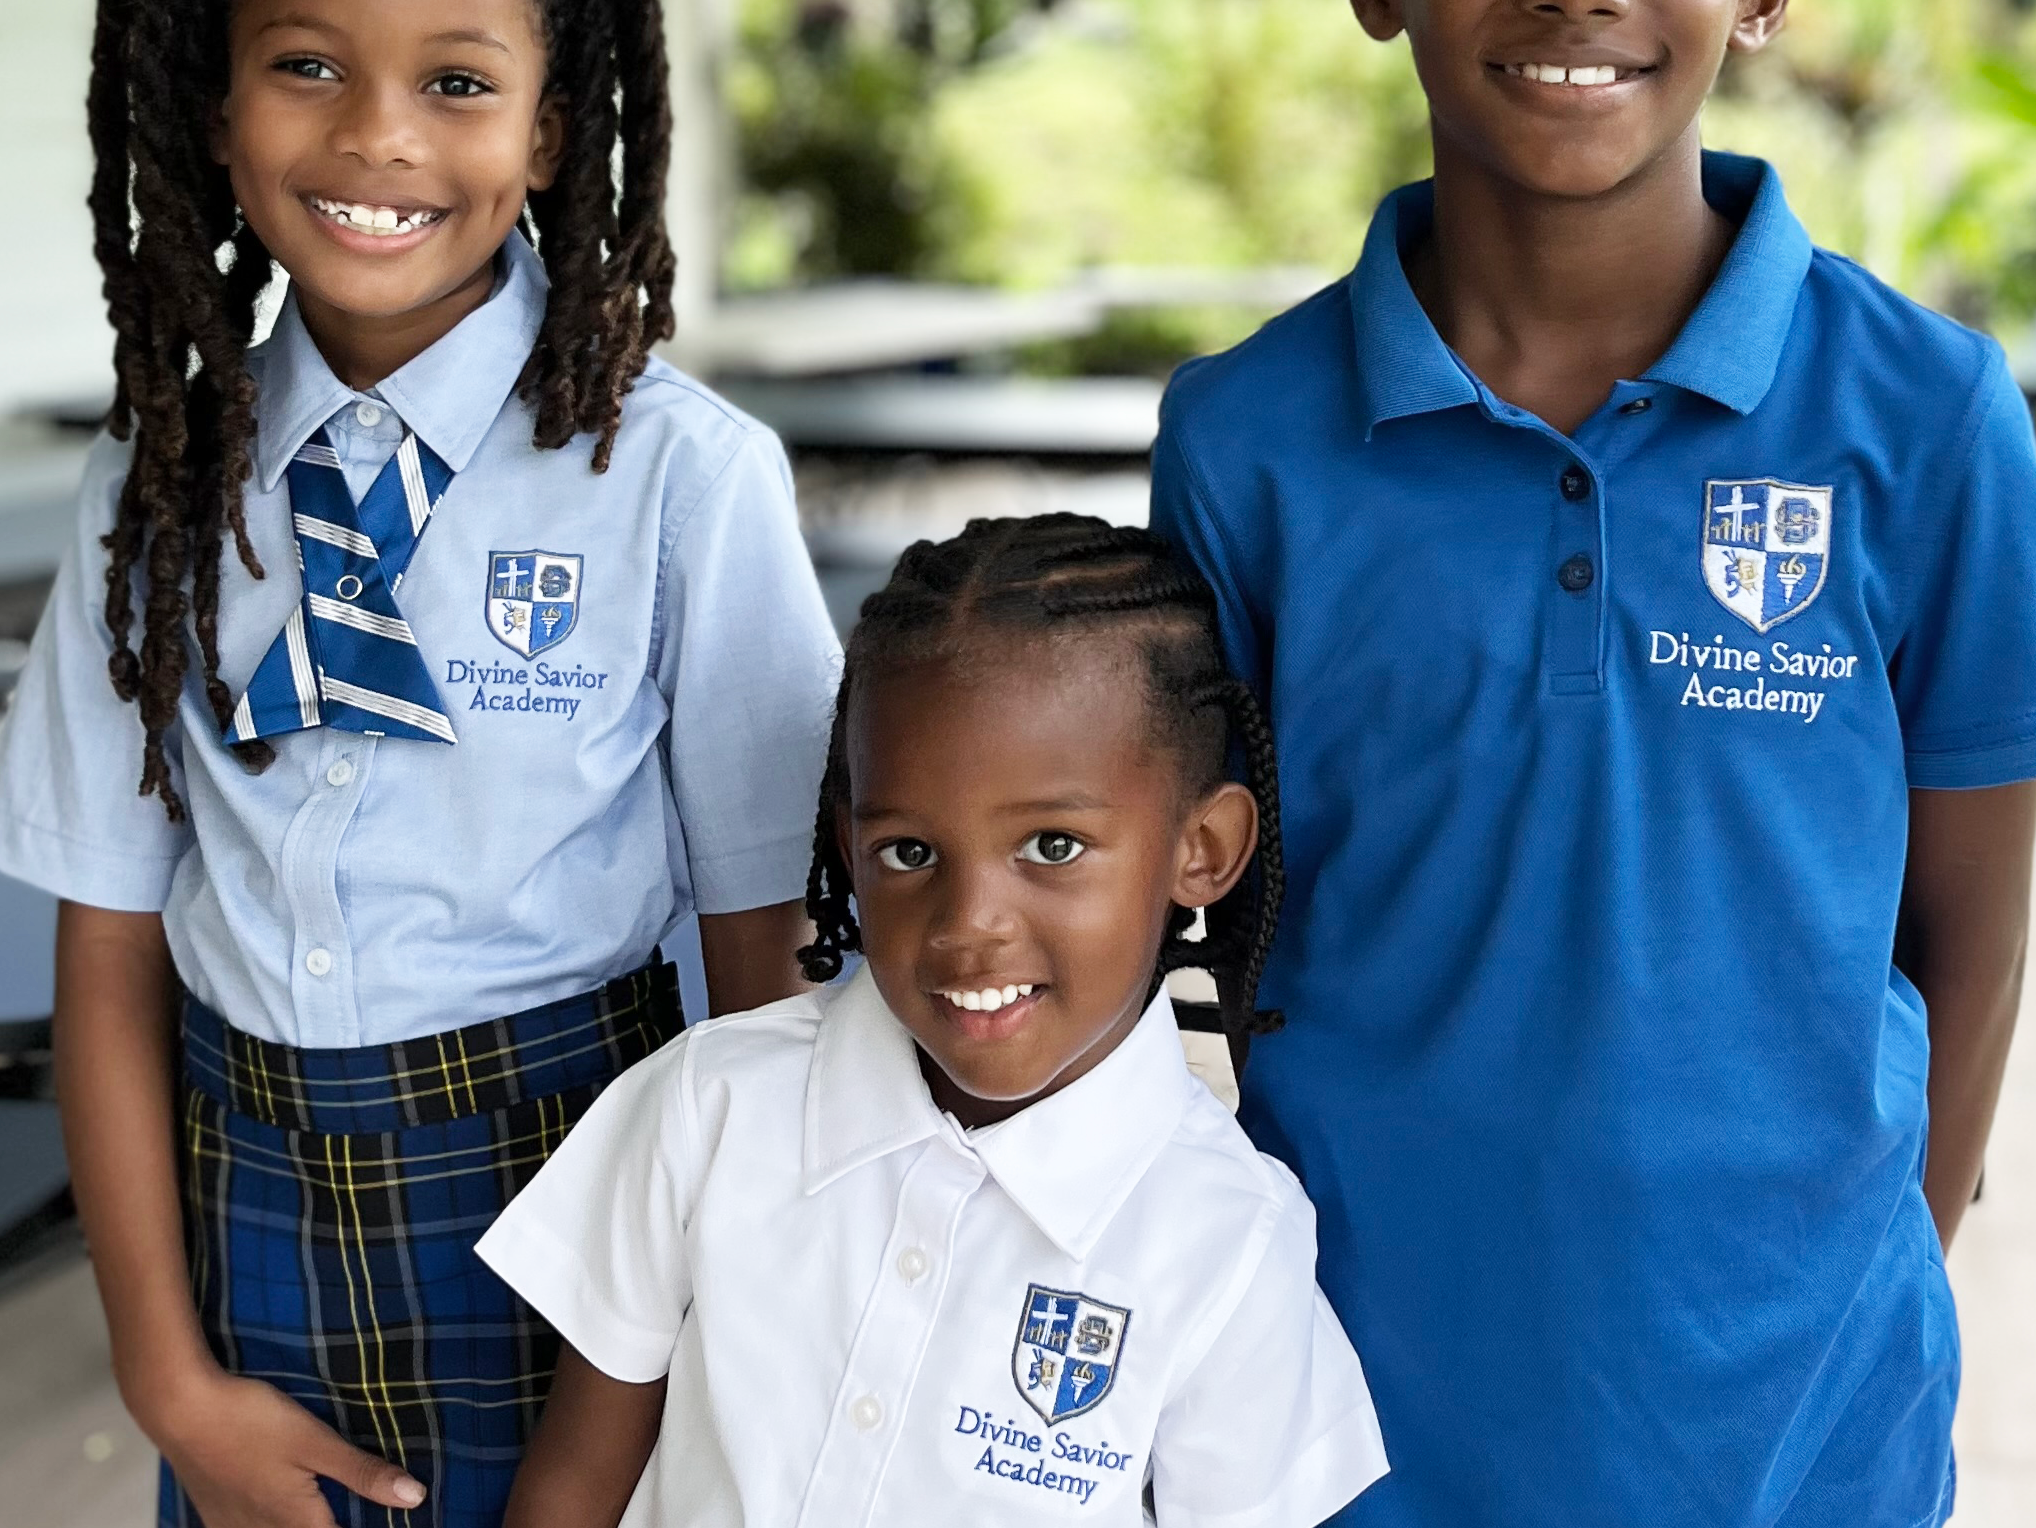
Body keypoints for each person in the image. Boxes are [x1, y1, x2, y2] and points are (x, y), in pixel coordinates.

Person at [1147, 0, 2036, 1528]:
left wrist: (1879, 1276)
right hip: (1345, 1408)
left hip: (1800, 1436)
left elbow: (1970, 937)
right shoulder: (1245, 439)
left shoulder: (1920, 413)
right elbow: (1226, 922)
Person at [0, 0, 840, 1528]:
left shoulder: (675, 475)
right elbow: (108, 938)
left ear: (545, 132)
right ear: (217, 112)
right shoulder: (156, 479)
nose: (375, 134)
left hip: (584, 1212)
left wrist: (713, 1347)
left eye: (454, 80)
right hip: (243, 1222)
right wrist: (169, 1381)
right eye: (305, 66)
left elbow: (767, 965)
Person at [478, 516, 1390, 1528]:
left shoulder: (1226, 1238)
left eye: (1052, 844)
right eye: (909, 852)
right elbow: (571, 1487)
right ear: (847, 841)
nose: (968, 927)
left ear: (1202, 849)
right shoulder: (710, 1103)